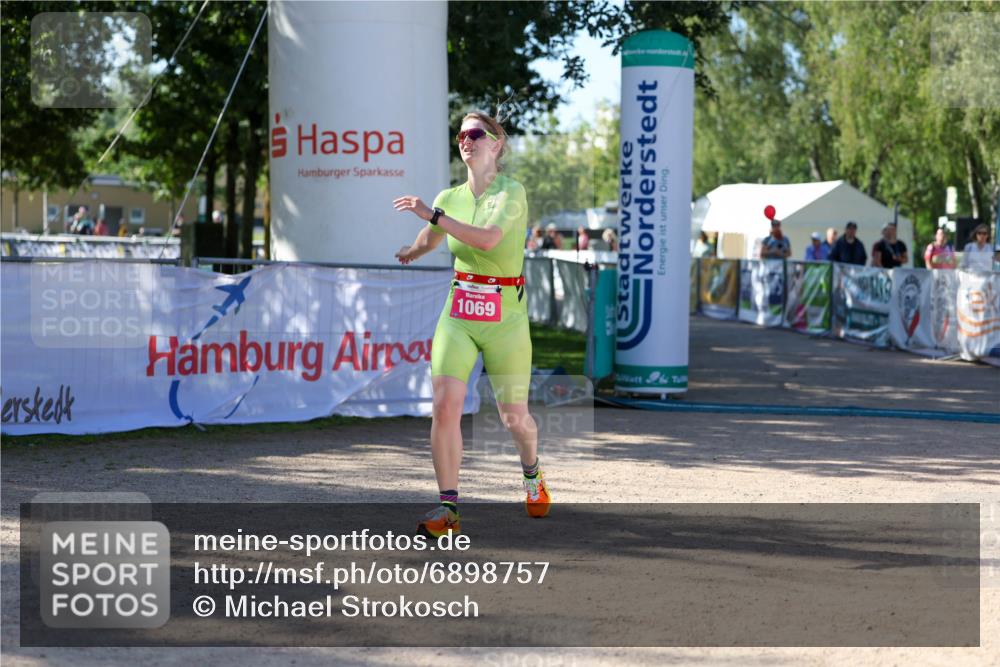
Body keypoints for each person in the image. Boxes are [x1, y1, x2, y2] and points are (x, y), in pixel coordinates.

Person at [393, 110, 550, 538]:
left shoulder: (511, 191)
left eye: (476, 133)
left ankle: (533, 476)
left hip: (507, 318)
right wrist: (412, 251)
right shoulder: (451, 195)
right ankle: (449, 509)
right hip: (459, 311)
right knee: (445, 407)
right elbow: (433, 237)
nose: (466, 140)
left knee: (514, 419)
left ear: (496, 144)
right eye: (460, 134)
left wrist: (430, 214)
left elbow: (486, 239)